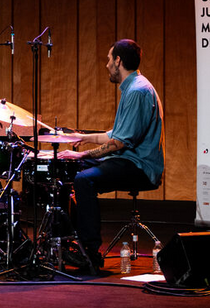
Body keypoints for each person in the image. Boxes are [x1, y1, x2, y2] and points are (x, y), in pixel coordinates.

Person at [57, 39, 164, 270]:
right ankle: (68, 241)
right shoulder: (134, 87)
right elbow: (115, 134)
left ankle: (90, 254)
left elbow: (119, 143)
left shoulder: (137, 92)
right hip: (127, 160)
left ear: (118, 61)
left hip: (139, 166)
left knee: (84, 180)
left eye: (108, 59)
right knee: (67, 170)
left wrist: (83, 155)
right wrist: (83, 136)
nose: (106, 65)